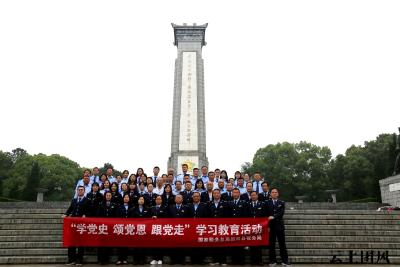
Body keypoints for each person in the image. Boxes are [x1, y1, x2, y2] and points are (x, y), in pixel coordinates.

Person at [62, 186, 88, 266]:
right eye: (79, 190)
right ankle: (71, 259)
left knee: (80, 243)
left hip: (81, 224)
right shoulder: (74, 200)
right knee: (71, 242)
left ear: (84, 191)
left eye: (82, 190)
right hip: (73, 224)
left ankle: (80, 260)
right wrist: (66, 214)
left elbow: (89, 210)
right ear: (77, 191)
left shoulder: (87, 200)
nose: (80, 191)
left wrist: (85, 215)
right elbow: (70, 209)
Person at [266, 188, 290, 266]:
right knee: (271, 245)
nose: (274, 193)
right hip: (271, 226)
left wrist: (274, 217)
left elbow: (281, 213)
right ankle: (272, 261)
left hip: (279, 226)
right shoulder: (267, 203)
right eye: (273, 192)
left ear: (278, 194)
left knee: (282, 244)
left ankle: (285, 260)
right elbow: (265, 213)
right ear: (270, 194)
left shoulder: (281, 202)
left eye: (276, 192)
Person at [207, 189, 230, 265]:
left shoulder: (225, 203)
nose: (216, 194)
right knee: (214, 243)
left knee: (222, 243)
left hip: (222, 227)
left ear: (220, 195)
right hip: (212, 227)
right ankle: (215, 260)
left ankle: (223, 260)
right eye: (215, 193)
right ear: (212, 195)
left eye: (217, 193)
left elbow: (227, 215)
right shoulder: (209, 203)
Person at [168, 194, 189, 264]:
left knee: (182, 245)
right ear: (175, 200)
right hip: (173, 229)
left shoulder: (186, 207)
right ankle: (173, 260)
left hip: (183, 230)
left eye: (180, 198)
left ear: (182, 200)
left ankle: (182, 259)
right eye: (177, 198)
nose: (178, 199)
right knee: (173, 245)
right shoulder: (171, 207)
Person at [97, 191, 117, 265]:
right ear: (105, 196)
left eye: (109, 195)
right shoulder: (101, 204)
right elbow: (98, 215)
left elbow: (116, 215)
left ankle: (106, 259)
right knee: (101, 243)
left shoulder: (114, 205)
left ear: (111, 196)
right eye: (107, 195)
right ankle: (100, 259)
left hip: (111, 227)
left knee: (108, 244)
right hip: (102, 227)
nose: (108, 196)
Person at [229, 188, 249, 265]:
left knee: (241, 244)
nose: (235, 194)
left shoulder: (244, 203)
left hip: (241, 227)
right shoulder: (229, 203)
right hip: (232, 227)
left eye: (237, 192)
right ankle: (234, 261)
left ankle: (241, 261)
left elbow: (246, 215)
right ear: (232, 194)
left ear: (239, 194)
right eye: (234, 192)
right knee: (233, 243)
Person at [248, 191, 266, 265]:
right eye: (252, 195)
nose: (253, 196)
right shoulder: (247, 204)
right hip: (250, 227)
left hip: (260, 226)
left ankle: (259, 260)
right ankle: (253, 260)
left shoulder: (262, 204)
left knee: (258, 244)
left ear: (257, 196)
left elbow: (265, 215)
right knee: (252, 244)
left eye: (254, 195)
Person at [149, 195, 167, 265]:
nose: (158, 200)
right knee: (154, 244)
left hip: (161, 228)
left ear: (161, 200)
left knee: (160, 244)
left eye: (159, 199)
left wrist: (158, 217)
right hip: (153, 229)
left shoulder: (164, 208)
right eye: (157, 199)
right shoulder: (152, 208)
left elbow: (166, 217)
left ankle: (160, 258)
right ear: (155, 200)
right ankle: (154, 259)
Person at [116, 194, 132, 265]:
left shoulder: (132, 207)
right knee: (120, 243)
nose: (126, 198)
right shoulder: (119, 206)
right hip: (120, 227)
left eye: (127, 197)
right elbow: (116, 216)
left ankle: (125, 259)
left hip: (129, 228)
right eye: (125, 197)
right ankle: (119, 259)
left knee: (126, 244)